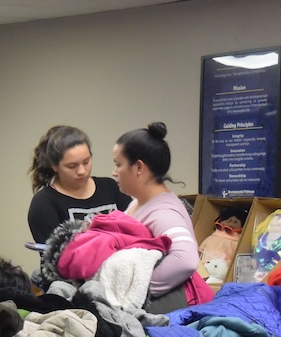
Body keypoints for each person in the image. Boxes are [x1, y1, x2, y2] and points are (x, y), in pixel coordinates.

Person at [111, 121, 213, 312]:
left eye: (118, 165)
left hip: (166, 311)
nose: (114, 172)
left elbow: (186, 259)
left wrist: (139, 289)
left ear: (138, 167)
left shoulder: (163, 212)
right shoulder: (138, 202)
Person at [27, 125, 131, 245]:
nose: (82, 171)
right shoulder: (44, 203)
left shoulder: (111, 187)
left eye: (86, 162)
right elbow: (56, 256)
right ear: (54, 166)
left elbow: (134, 229)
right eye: (72, 166)